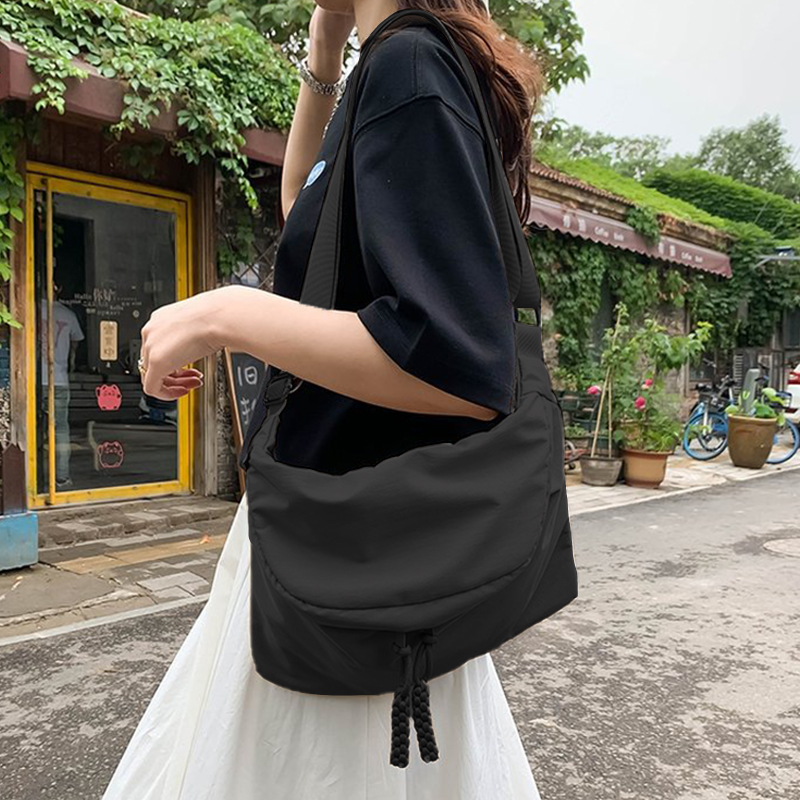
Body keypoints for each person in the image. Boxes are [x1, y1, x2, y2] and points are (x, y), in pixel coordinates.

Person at [102, 0, 545, 796]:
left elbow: (458, 367)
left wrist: (224, 314)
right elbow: (307, 211)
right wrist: (327, 42)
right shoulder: (394, 60)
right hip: (351, 539)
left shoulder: (411, 64)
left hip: (349, 551)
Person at [40, 279, 85, 490]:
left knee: (35, 429)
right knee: (60, 431)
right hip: (59, 380)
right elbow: (75, 346)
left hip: (34, 382)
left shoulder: (31, 310)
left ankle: (34, 477)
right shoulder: (68, 315)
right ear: (60, 289)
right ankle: (62, 477)